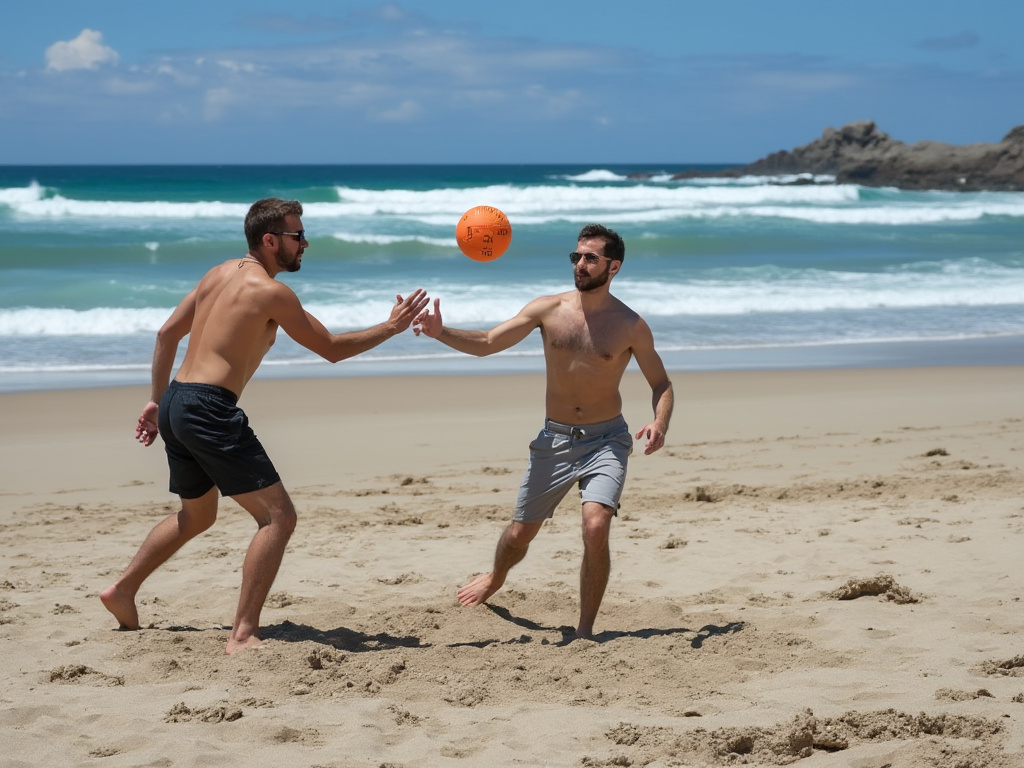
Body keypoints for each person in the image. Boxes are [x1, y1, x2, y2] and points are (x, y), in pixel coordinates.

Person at [100, 198, 429, 654]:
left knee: (198, 515)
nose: (305, 243)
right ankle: (244, 632)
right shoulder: (271, 292)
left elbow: (166, 335)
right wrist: (392, 327)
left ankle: (122, 590)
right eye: (297, 235)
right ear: (271, 240)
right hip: (209, 408)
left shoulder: (218, 273)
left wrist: (156, 401)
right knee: (278, 517)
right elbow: (331, 348)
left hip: (178, 400)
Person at [413, 223, 673, 639]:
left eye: (591, 258)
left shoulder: (630, 325)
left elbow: (661, 383)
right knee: (519, 534)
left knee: (595, 524)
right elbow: (487, 341)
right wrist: (439, 331)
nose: (581, 264)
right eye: (576, 256)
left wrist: (659, 422)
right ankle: (496, 576)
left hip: (607, 439)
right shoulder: (547, 310)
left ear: (614, 266)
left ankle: (585, 630)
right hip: (555, 439)